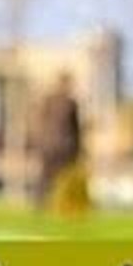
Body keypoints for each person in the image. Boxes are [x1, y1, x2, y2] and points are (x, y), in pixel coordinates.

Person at [34, 72, 81, 207]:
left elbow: (75, 127)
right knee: (51, 175)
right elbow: (76, 128)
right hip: (60, 146)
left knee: (52, 175)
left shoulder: (59, 101)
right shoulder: (67, 102)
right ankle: (43, 201)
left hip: (55, 145)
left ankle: (51, 201)